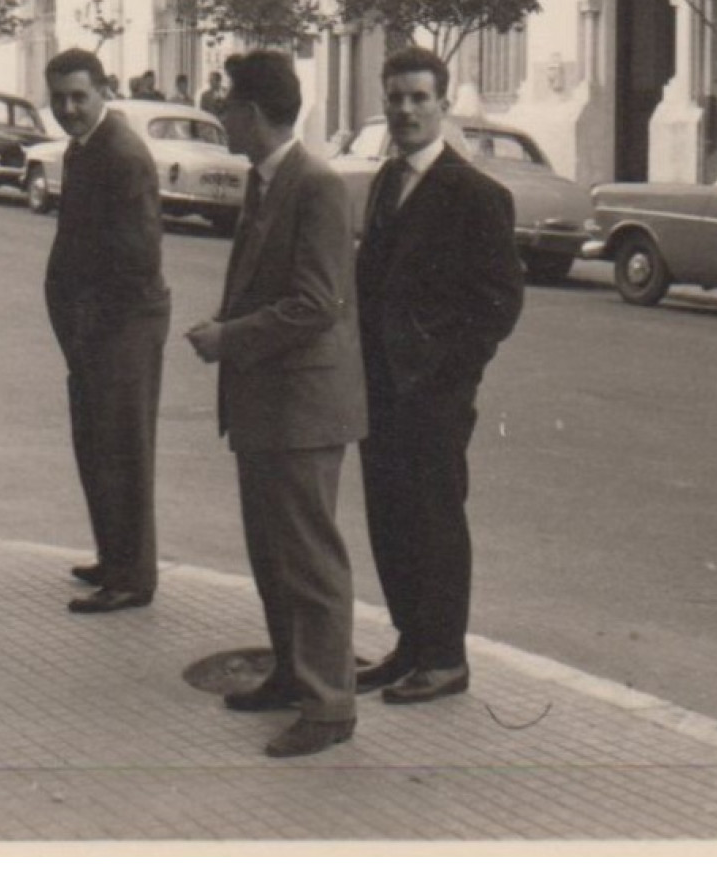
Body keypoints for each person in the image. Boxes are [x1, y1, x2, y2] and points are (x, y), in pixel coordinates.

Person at [186, 50, 365, 759]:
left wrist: (229, 338)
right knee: (272, 551)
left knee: (309, 557)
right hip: (271, 402)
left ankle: (329, 705)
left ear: (254, 114)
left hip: (303, 405)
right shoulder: (270, 179)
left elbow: (317, 303)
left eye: (227, 104)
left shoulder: (313, 184)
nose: (220, 114)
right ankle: (293, 673)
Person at [354, 46, 524, 705]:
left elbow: (499, 303)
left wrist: (447, 375)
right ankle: (410, 643)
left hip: (432, 396)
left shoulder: (475, 195)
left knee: (433, 520)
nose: (404, 110)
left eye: (418, 98)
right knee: (388, 518)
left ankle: (446, 657)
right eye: (394, 97)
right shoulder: (384, 181)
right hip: (377, 390)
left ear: (442, 104)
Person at [44, 49, 171, 613]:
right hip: (95, 326)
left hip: (122, 323)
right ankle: (113, 556)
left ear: (103, 92)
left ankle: (132, 577)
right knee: (96, 442)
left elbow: (138, 256)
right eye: (60, 98)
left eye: (79, 96)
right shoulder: (85, 149)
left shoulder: (120, 154)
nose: (69, 108)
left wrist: (93, 321)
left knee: (121, 446)